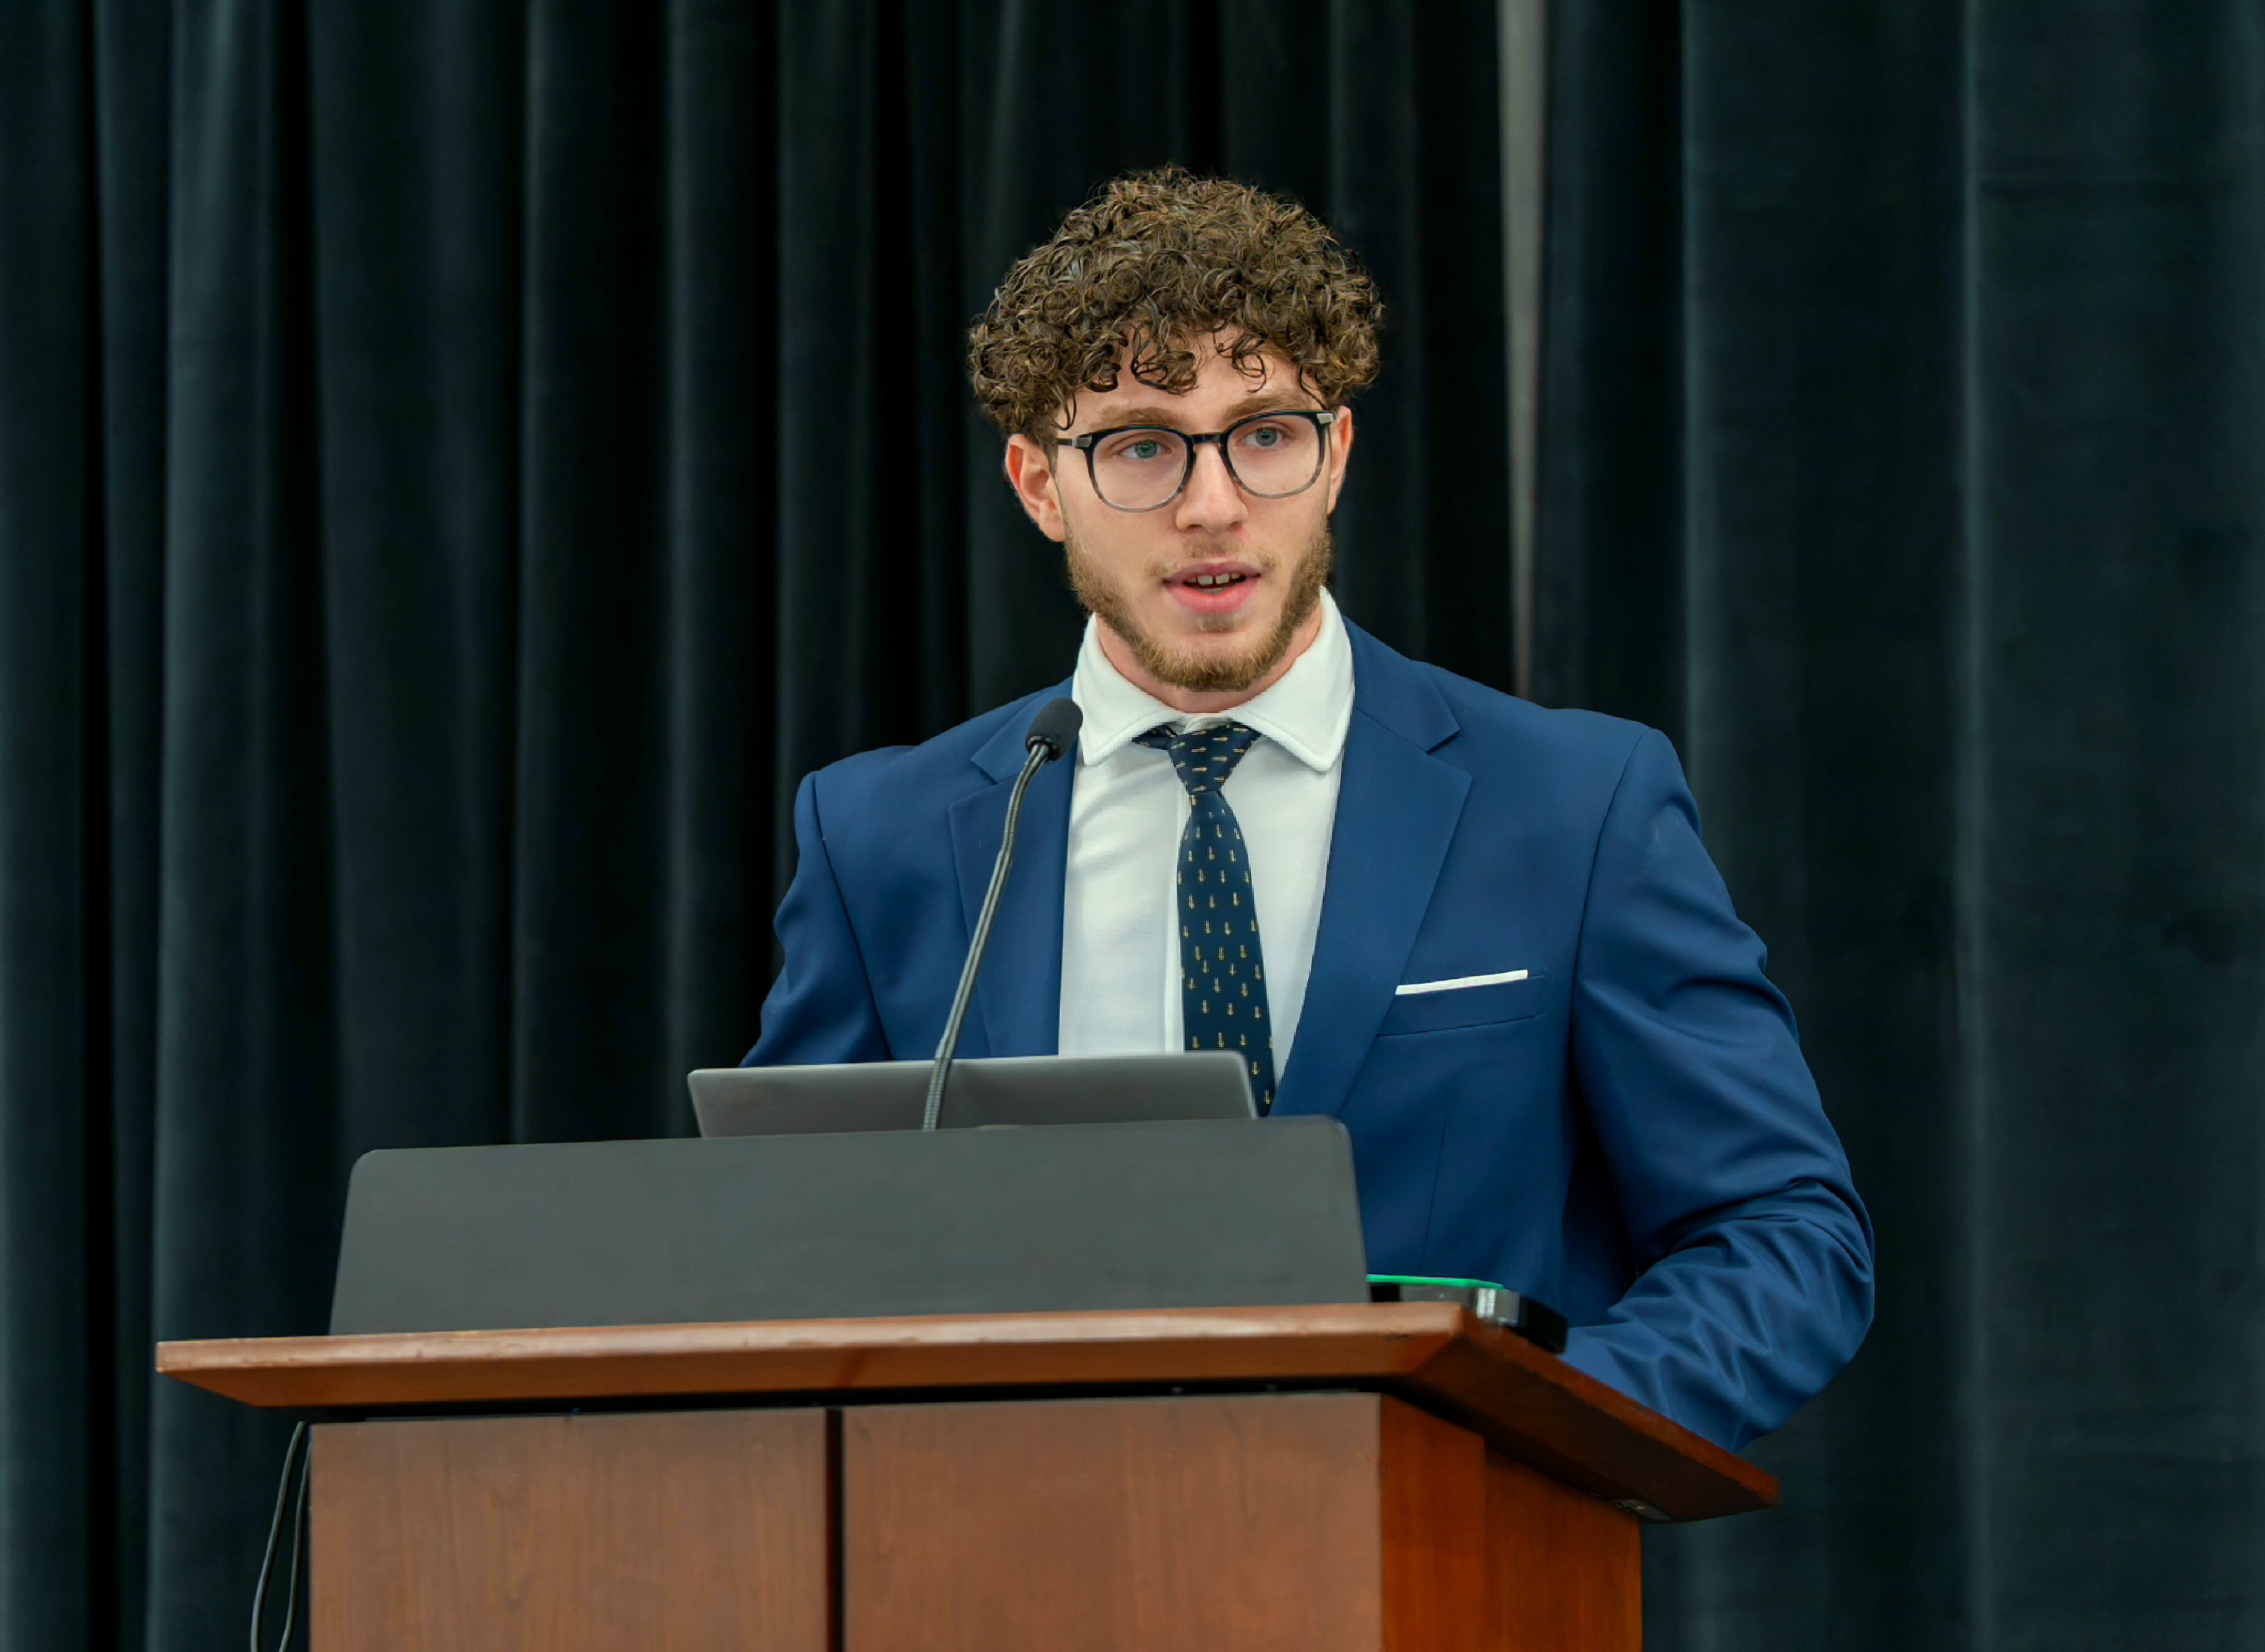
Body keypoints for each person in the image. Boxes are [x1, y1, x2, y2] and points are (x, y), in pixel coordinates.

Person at [745, 168, 1871, 1451]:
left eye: (1264, 432)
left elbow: (1782, 1236)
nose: (1212, 500)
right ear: (1036, 482)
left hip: (1451, 1576)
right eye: (1139, 446)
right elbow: (779, 1261)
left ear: (1333, 454)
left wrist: (1524, 1426)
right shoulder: (885, 836)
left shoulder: (1571, 805)